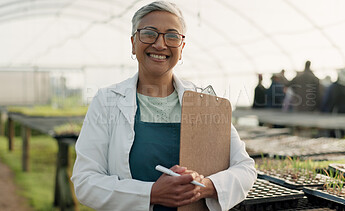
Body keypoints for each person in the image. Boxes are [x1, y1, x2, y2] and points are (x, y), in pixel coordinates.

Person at [71, 2, 256, 211]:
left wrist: (206, 187)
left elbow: (245, 168)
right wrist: (152, 193)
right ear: (133, 43)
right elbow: (85, 181)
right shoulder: (107, 101)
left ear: (182, 47)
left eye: (172, 36)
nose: (160, 44)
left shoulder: (204, 102)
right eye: (149, 34)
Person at [321, 69, 345, 138]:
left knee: (335, 131)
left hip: (336, 112)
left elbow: (330, 100)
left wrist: (327, 111)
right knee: (343, 132)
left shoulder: (335, 86)